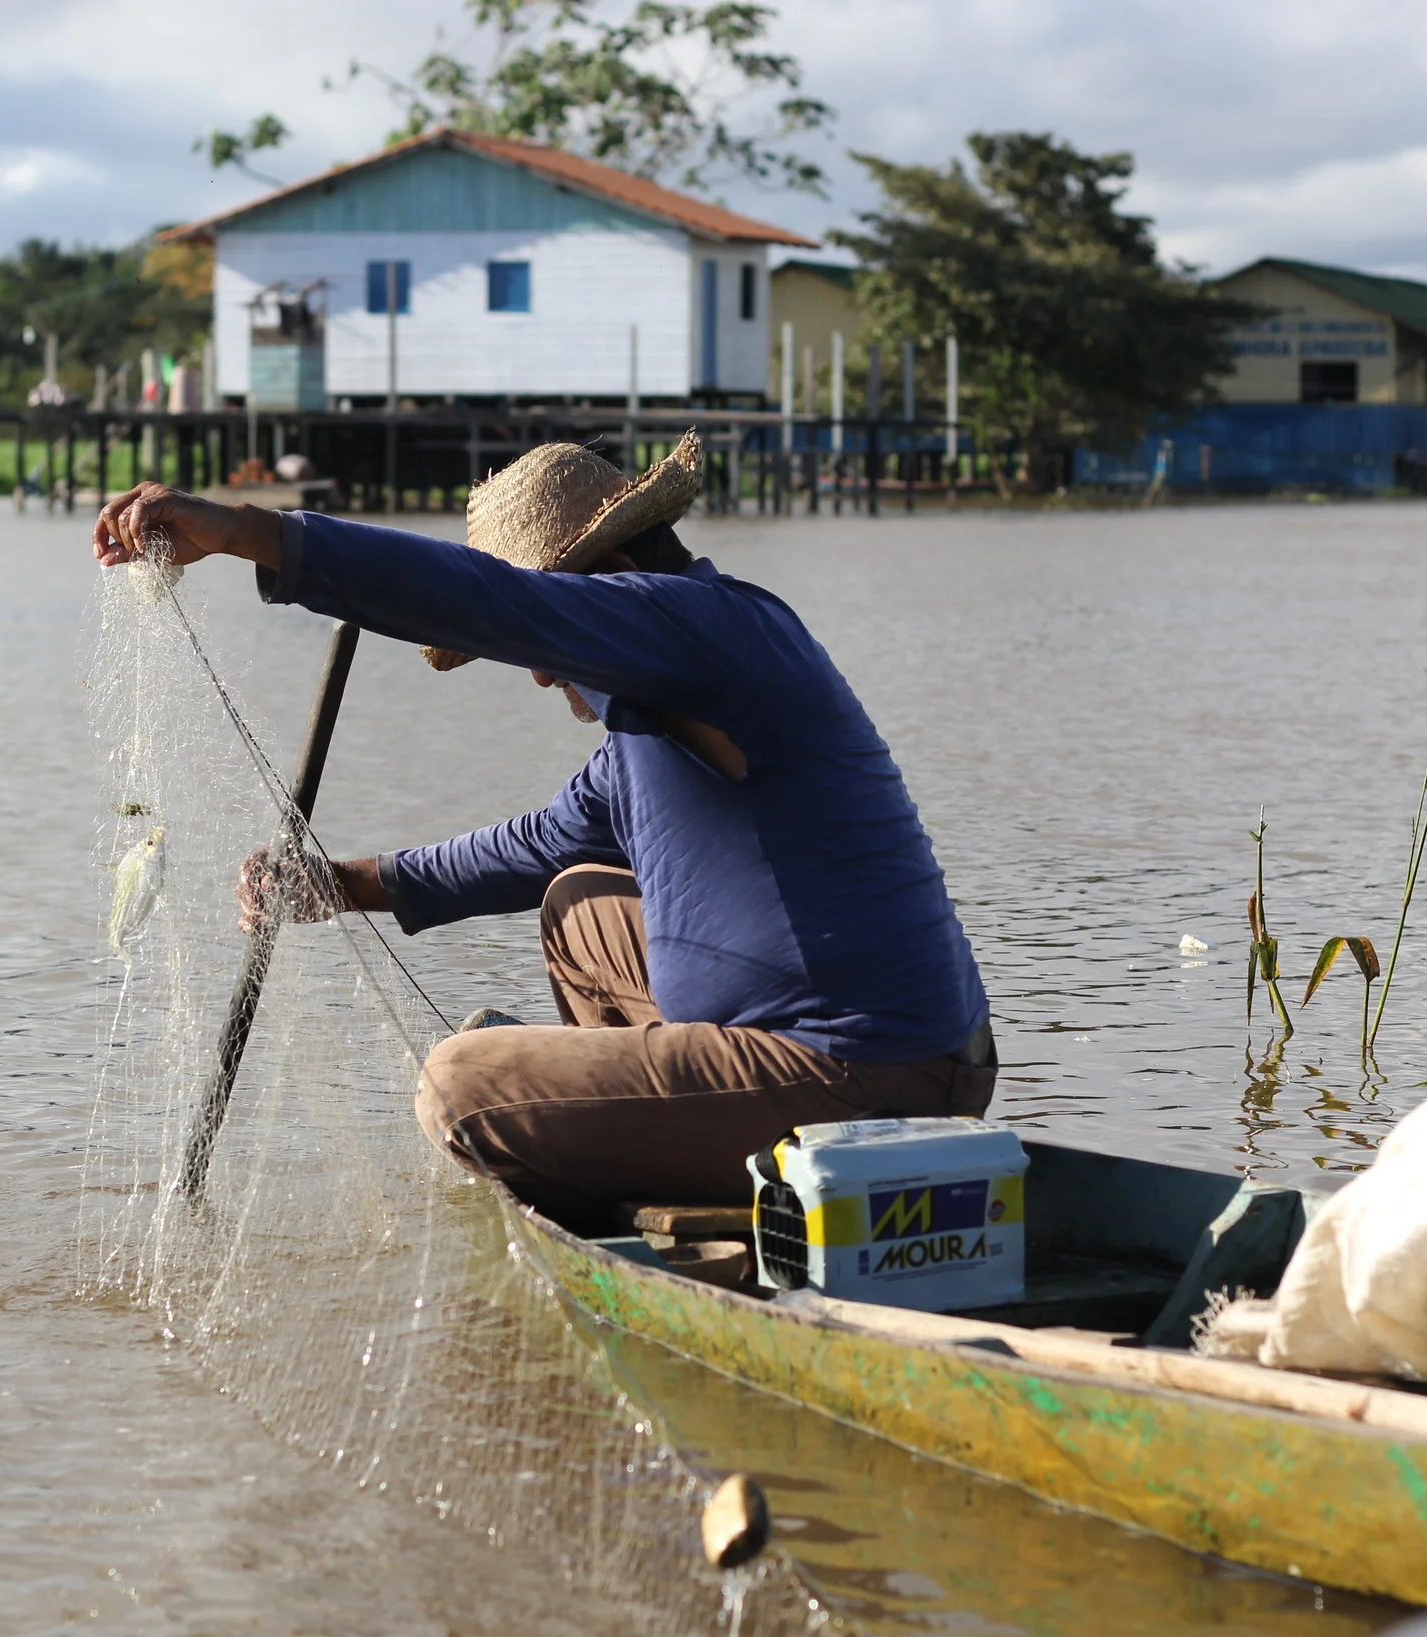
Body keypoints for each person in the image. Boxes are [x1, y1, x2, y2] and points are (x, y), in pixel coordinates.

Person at [93, 432, 993, 1230]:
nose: (535, 676)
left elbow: (483, 600)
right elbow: (542, 843)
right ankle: (618, 1135)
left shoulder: (705, 632)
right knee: (578, 908)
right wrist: (343, 884)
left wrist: (245, 530)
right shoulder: (659, 702)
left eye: (544, 643)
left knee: (459, 1087)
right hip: (857, 1048)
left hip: (864, 1072)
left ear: (603, 585)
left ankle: (596, 1150)